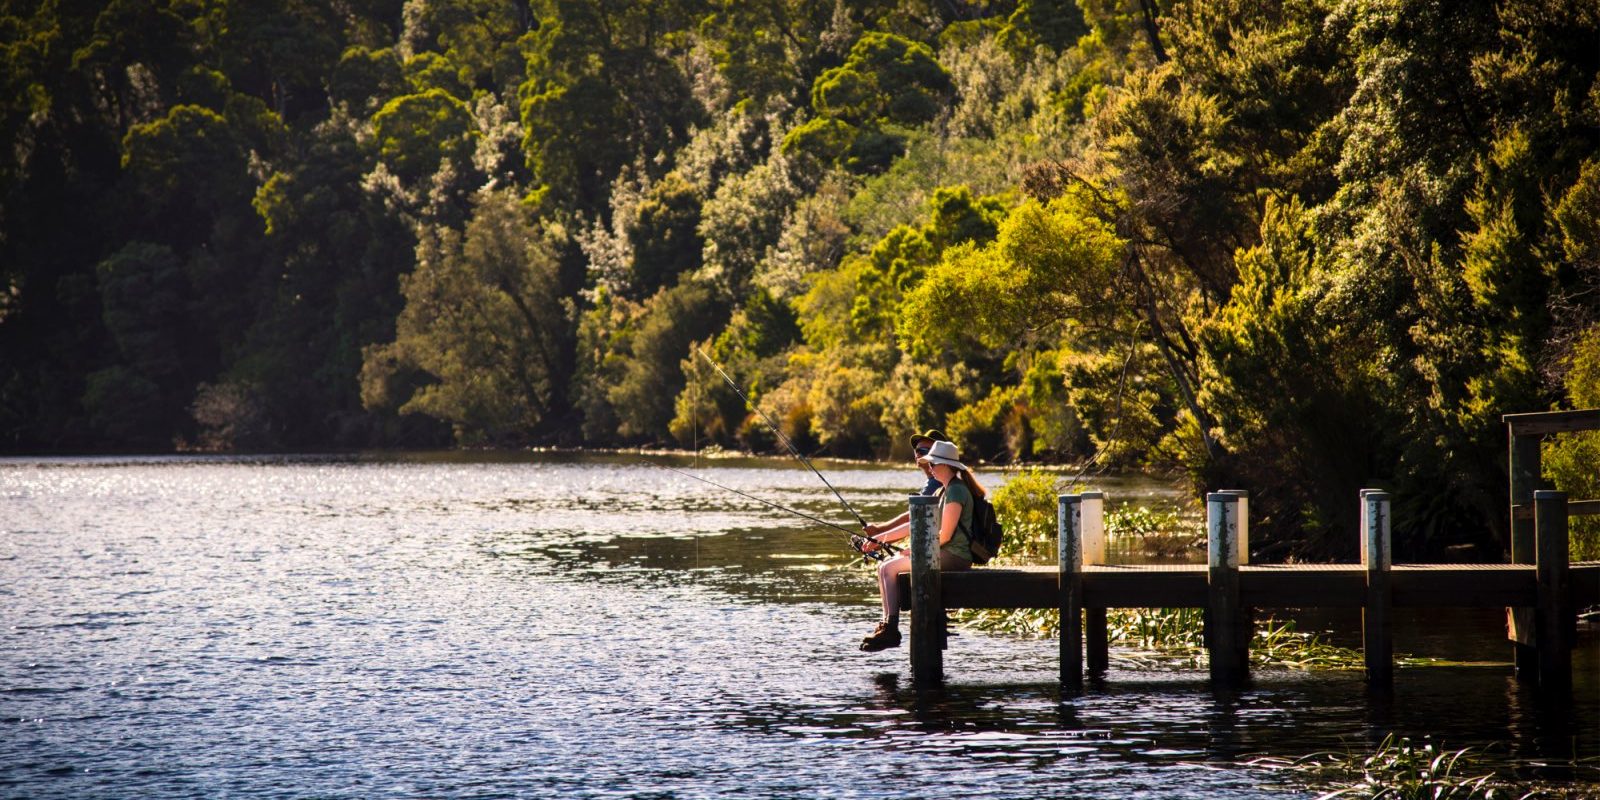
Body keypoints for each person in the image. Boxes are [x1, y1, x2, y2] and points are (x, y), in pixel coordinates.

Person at [857, 439, 987, 651]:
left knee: (889, 568)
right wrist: (880, 540)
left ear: (946, 465)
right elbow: (914, 523)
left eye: (933, 464)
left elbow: (945, 535)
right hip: (941, 553)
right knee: (884, 567)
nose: (930, 468)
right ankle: (887, 625)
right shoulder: (944, 490)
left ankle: (891, 628)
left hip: (956, 557)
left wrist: (917, 551)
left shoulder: (956, 492)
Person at [861, 429, 946, 541]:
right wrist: (881, 529)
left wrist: (880, 531)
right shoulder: (932, 481)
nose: (918, 454)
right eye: (917, 450)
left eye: (924, 451)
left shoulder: (936, 483)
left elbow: (913, 517)